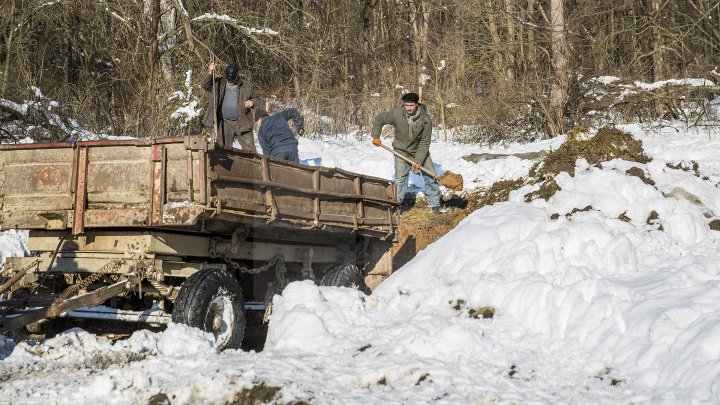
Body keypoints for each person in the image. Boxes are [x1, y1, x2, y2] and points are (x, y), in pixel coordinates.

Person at [370, 92, 445, 214]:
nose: (408, 108)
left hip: (419, 150)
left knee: (431, 175)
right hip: (401, 150)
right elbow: (380, 118)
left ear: (417, 104)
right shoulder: (397, 113)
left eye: (411, 105)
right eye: (406, 105)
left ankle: (435, 205)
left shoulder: (426, 120)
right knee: (400, 179)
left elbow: (425, 142)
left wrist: (418, 161)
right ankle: (397, 205)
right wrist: (376, 135)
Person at [201, 63, 261, 151]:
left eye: (232, 79)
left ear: (237, 76)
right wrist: (210, 72)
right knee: (223, 151)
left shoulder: (247, 86)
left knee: (250, 151)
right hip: (225, 124)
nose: (230, 81)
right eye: (229, 79)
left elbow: (258, 99)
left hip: (242, 122)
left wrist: (252, 102)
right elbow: (205, 85)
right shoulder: (218, 83)